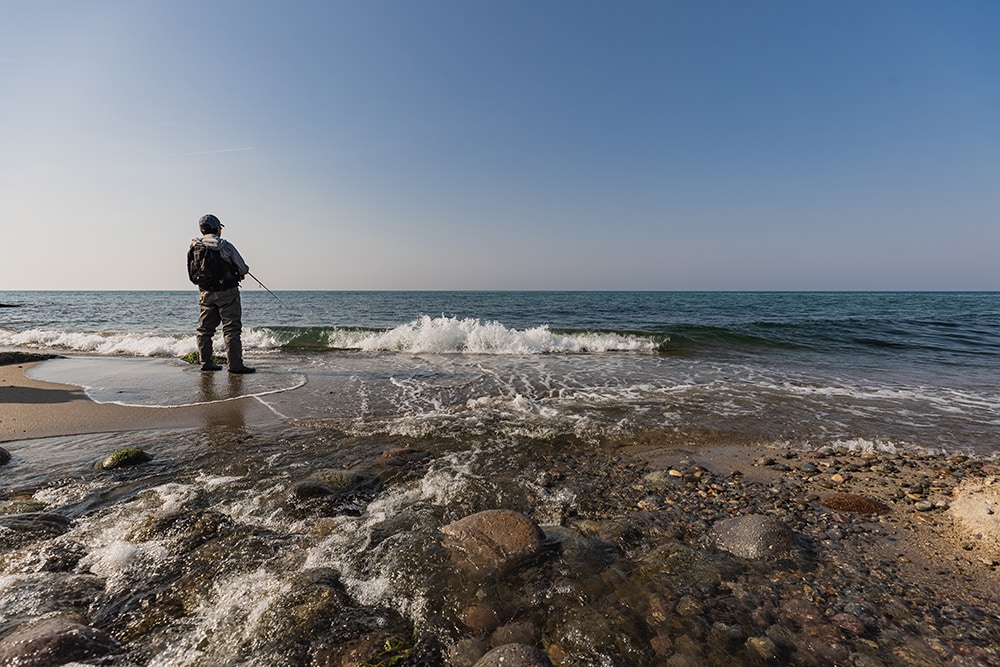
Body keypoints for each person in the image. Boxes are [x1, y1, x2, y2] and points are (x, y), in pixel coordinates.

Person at [186, 214, 256, 373]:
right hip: (227, 292)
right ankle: (235, 366)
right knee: (231, 329)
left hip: (205, 293)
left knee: (204, 330)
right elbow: (243, 268)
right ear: (217, 229)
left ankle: (206, 363)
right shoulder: (225, 245)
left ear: (201, 229)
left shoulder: (195, 246)